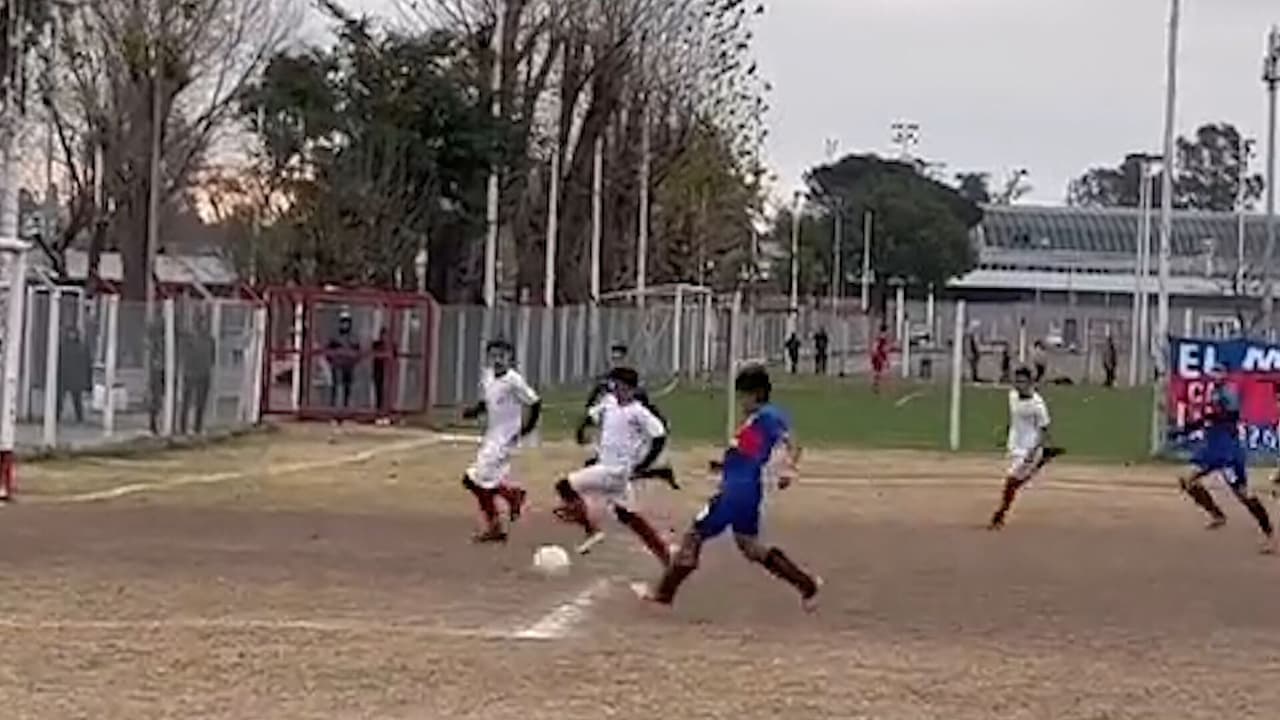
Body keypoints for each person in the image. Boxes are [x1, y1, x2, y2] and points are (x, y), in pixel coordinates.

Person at [633, 365, 821, 611]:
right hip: (745, 490)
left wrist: (789, 469)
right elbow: (750, 453)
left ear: (755, 394)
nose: (741, 401)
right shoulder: (757, 420)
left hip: (736, 493)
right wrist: (724, 465)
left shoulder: (768, 416)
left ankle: (663, 595)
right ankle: (806, 585)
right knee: (750, 546)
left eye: (743, 395)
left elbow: (792, 443)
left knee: (694, 536)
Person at [553, 366, 672, 563]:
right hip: (612, 471)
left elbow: (659, 435)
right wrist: (581, 431)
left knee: (564, 486)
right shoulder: (609, 403)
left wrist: (644, 463)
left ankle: (591, 529)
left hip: (614, 471)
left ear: (632, 389)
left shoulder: (639, 412)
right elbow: (591, 416)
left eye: (620, 386)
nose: (615, 389)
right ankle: (665, 556)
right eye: (614, 384)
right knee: (628, 516)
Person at [1174, 382, 1275, 554]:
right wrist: (1183, 430)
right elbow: (1204, 421)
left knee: (1244, 495)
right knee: (1187, 480)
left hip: (1228, 455)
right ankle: (1217, 515)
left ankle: (1269, 534)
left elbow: (1229, 416)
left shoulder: (1228, 406)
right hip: (1211, 453)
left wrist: (1212, 416)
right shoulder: (1214, 407)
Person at [460, 339, 541, 543]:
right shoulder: (488, 376)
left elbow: (535, 402)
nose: (497, 360)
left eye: (502, 356)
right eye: (494, 355)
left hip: (505, 439)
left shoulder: (514, 380)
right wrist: (475, 411)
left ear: (509, 358)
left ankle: (497, 523)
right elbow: (488, 400)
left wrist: (527, 428)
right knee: (475, 481)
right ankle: (511, 497)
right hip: (492, 435)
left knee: (474, 480)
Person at [581, 343, 677, 489]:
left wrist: (660, 421)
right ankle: (659, 472)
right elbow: (595, 395)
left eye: (619, 356)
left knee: (620, 469)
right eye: (613, 356)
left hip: (633, 432)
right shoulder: (607, 381)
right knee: (609, 466)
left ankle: (658, 473)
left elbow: (645, 408)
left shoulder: (632, 387)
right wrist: (588, 414)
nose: (615, 359)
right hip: (611, 423)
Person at [988, 366, 1064, 529]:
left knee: (1011, 480)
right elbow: (1015, 419)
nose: (1018, 384)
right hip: (1014, 445)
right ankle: (1042, 460)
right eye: (1016, 381)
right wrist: (1004, 434)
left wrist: (1035, 449)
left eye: (1022, 381)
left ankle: (1001, 513)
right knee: (1016, 482)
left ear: (1030, 382)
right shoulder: (1012, 396)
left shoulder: (1038, 405)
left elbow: (1044, 430)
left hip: (1029, 448)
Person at [179, 313, 215, 435]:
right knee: (186, 402)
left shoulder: (209, 338)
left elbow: (212, 356)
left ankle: (197, 427)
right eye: (199, 321)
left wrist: (208, 366)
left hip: (204, 373)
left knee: (201, 402)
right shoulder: (188, 338)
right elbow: (184, 354)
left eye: (202, 321)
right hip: (190, 373)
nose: (201, 324)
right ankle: (183, 427)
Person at [57, 323, 90, 423]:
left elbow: (86, 364)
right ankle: (57, 415)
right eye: (70, 333)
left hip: (74, 377)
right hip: (65, 376)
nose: (71, 335)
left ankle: (79, 417)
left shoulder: (81, 347)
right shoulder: (63, 347)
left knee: (76, 398)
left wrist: (87, 380)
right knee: (60, 398)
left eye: (73, 333)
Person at [326, 312, 360, 409]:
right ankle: (333, 409)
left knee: (347, 388)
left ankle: (345, 408)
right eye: (343, 322)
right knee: (336, 387)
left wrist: (353, 361)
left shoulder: (353, 338)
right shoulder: (335, 337)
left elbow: (358, 351)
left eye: (347, 322)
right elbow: (328, 350)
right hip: (337, 366)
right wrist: (332, 361)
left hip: (348, 366)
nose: (345, 325)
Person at [870, 324, 890, 392]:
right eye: (887, 330)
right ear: (885, 331)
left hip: (880, 357)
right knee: (877, 372)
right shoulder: (880, 338)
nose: (888, 332)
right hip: (878, 357)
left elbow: (884, 349)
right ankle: (875, 386)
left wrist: (886, 359)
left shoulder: (883, 339)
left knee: (878, 372)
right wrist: (877, 355)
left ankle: (875, 385)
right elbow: (875, 347)